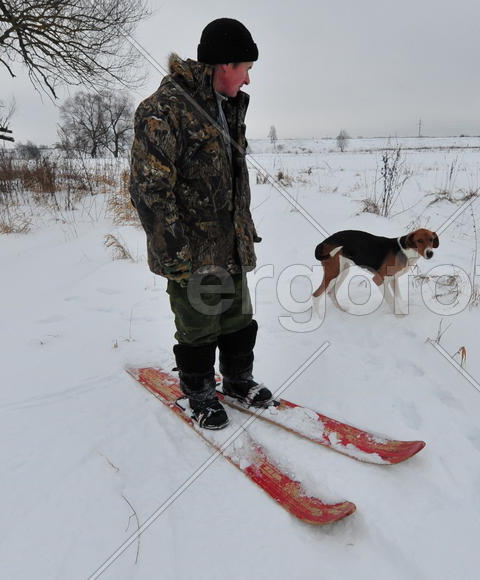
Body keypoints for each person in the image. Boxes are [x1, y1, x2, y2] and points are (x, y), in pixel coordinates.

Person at [129, 18, 275, 430]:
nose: (248, 79)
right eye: (246, 68)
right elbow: (149, 189)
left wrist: (242, 232)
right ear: (225, 64)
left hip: (229, 241)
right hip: (190, 249)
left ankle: (238, 380)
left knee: (238, 319)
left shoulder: (227, 105)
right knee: (197, 326)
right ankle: (199, 394)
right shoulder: (164, 109)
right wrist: (173, 252)